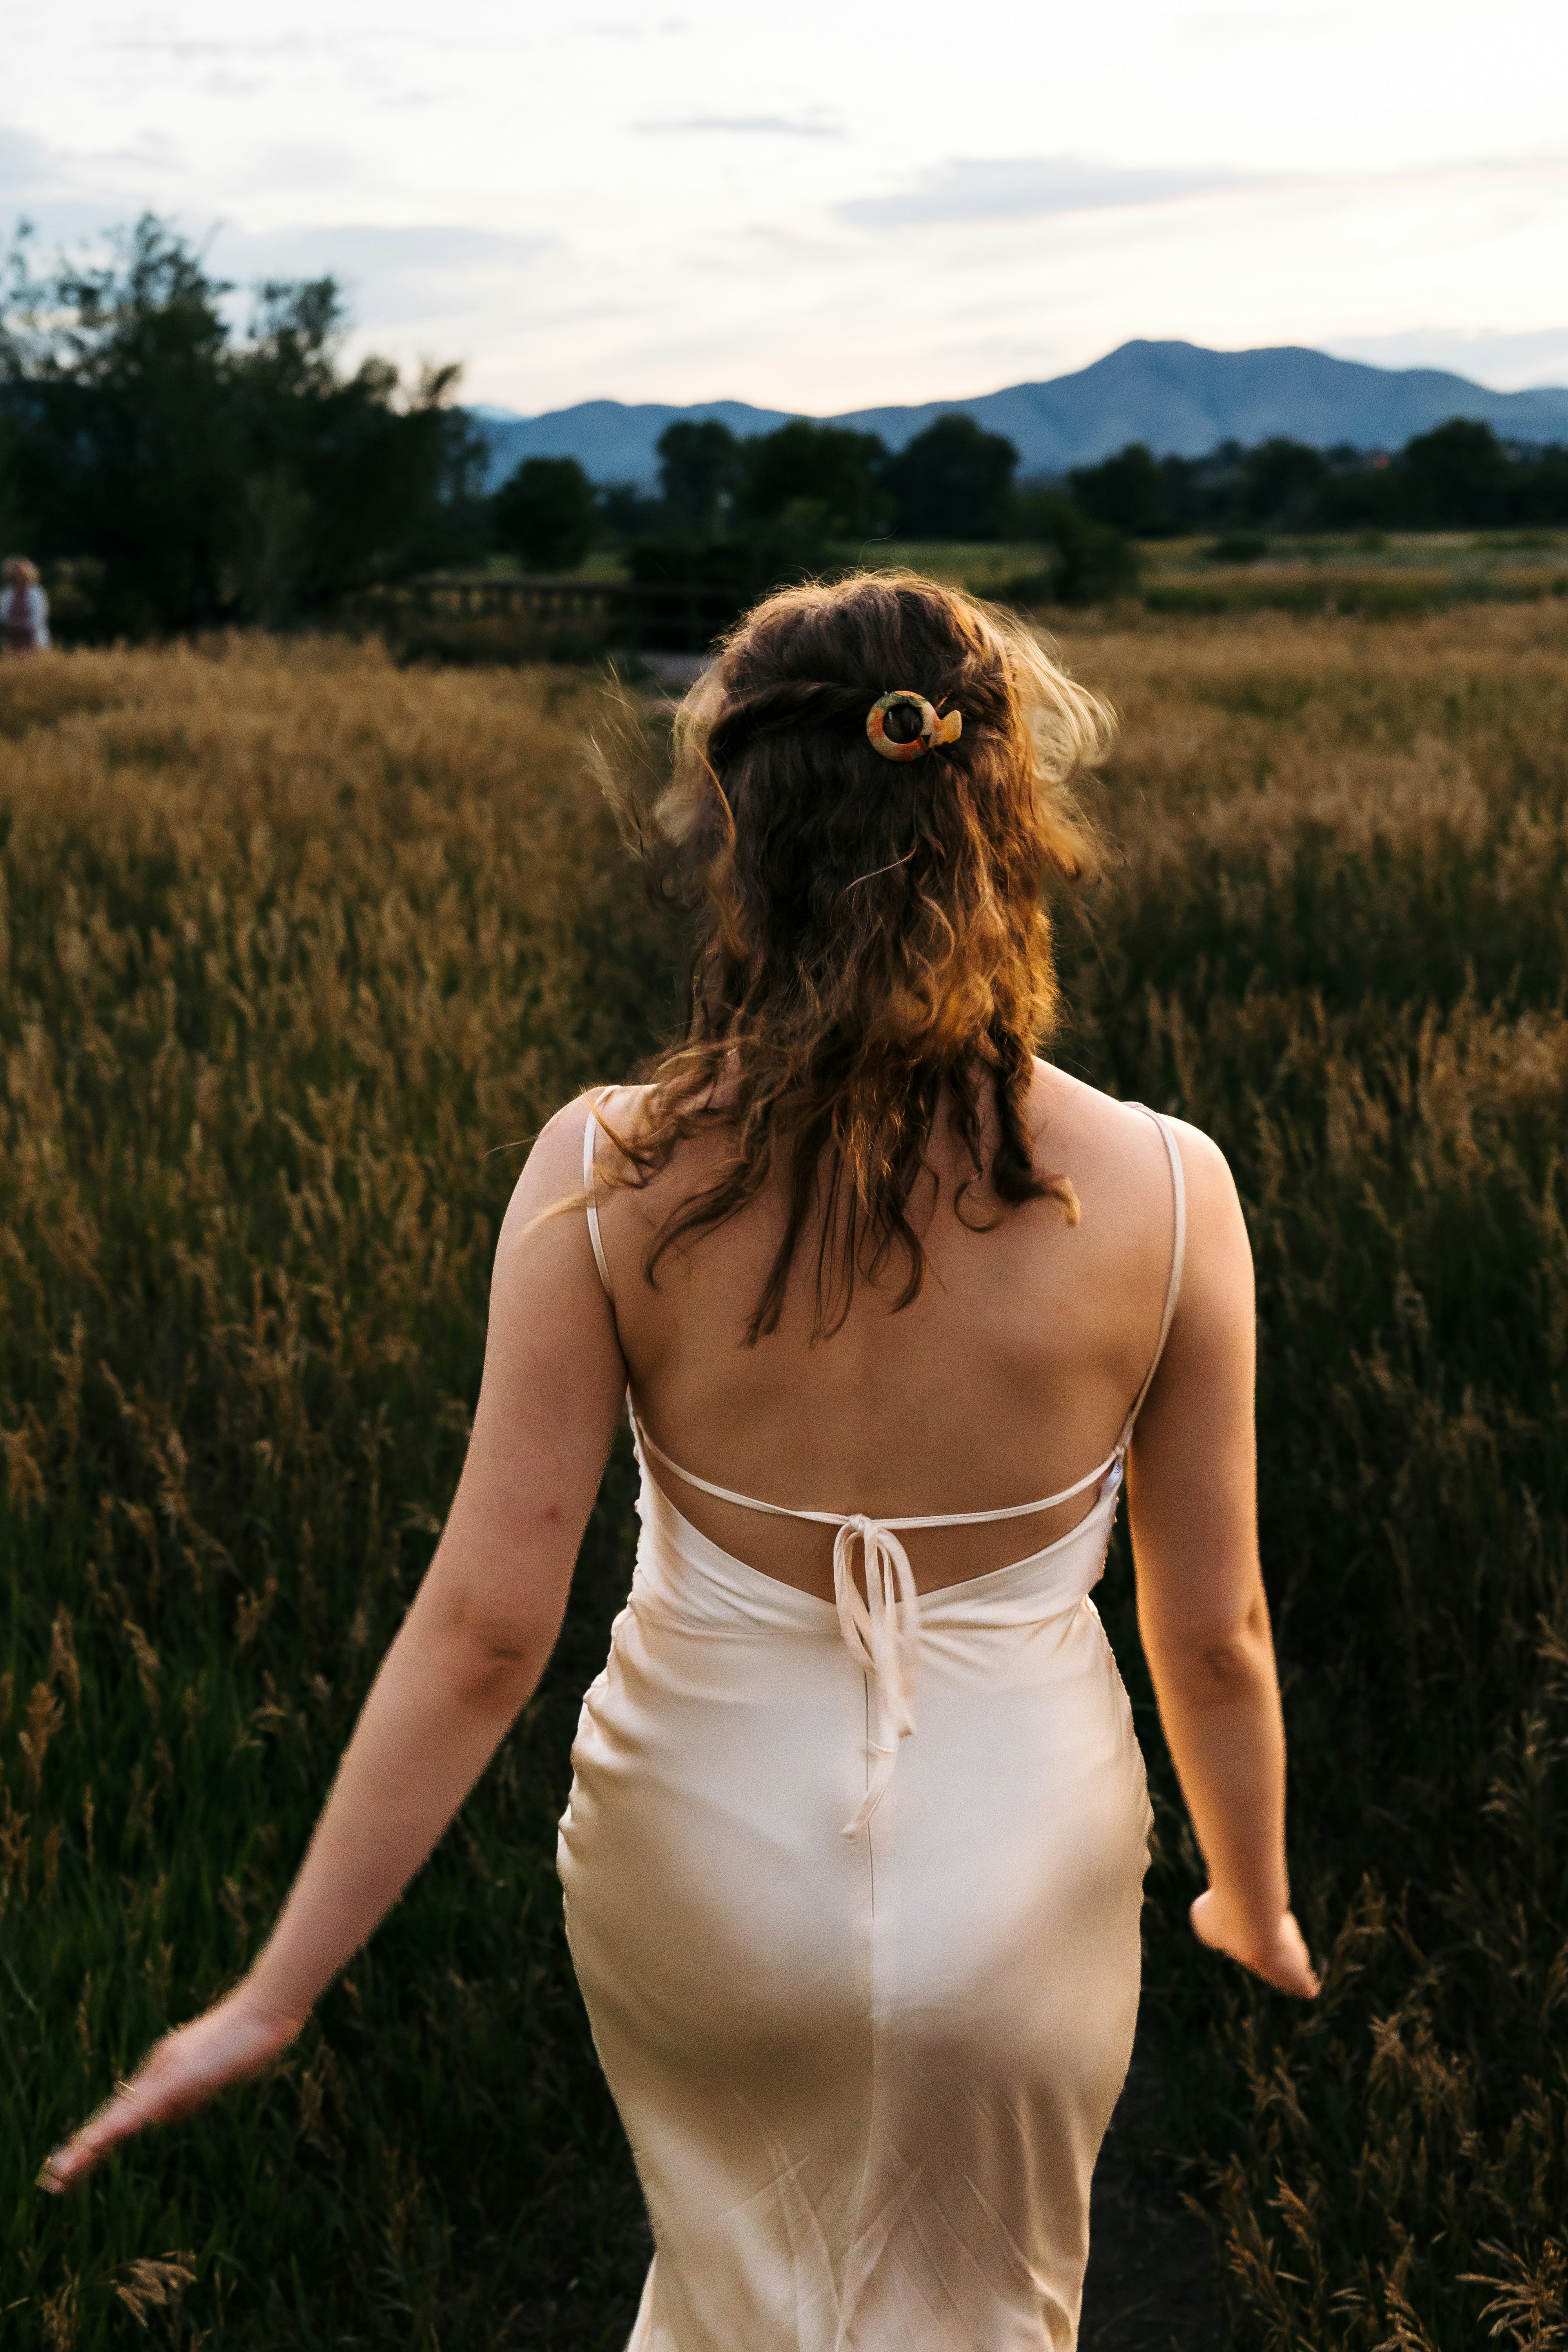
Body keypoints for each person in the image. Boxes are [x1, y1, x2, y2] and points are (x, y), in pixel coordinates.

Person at [41, 573, 1317, 2348]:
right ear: (1006, 813)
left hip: (694, 1850)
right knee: (986, 2298)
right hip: (1013, 1850)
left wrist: (275, 1989)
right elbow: (1214, 1626)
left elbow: (489, 1625)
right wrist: (1243, 1894)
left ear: (736, 824)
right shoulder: (1169, 1187)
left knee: (737, 2287)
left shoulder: (606, 1165)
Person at [1, 556, 51, 654]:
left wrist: (23, 625)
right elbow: (3, 614)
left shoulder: (37, 593)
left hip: (33, 638)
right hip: (13, 637)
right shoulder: (8, 592)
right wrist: (11, 624)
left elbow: (39, 617)